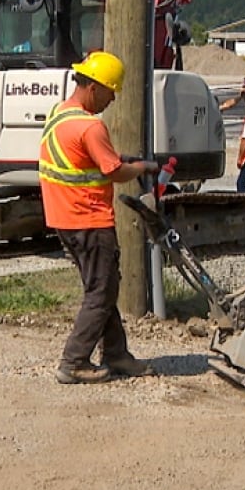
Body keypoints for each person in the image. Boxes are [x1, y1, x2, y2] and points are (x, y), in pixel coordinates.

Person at [38, 50, 162, 384]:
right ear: (94, 87)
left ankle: (116, 354)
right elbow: (114, 171)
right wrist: (142, 167)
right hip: (89, 219)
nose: (112, 99)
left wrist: (120, 158)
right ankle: (74, 361)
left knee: (103, 288)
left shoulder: (60, 115)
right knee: (101, 292)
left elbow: (86, 159)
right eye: (111, 91)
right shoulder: (91, 126)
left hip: (65, 218)